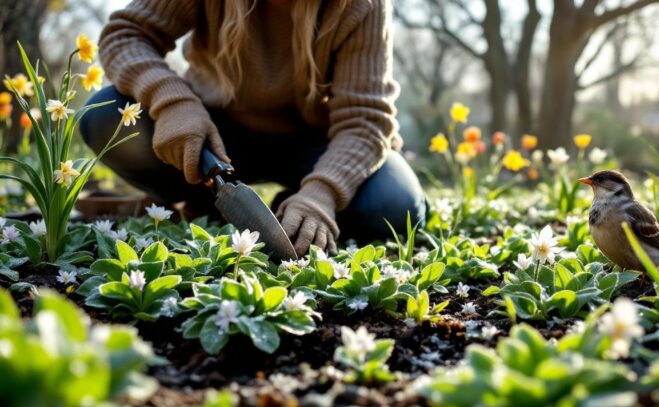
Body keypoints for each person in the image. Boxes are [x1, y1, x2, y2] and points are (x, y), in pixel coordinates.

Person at [80, 0, 426, 256]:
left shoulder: (362, 6)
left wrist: (322, 193)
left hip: (314, 143)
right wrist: (172, 102)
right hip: (212, 134)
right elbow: (125, 35)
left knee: (394, 206)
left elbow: (365, 119)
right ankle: (210, 198)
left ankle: (291, 206)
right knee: (105, 116)